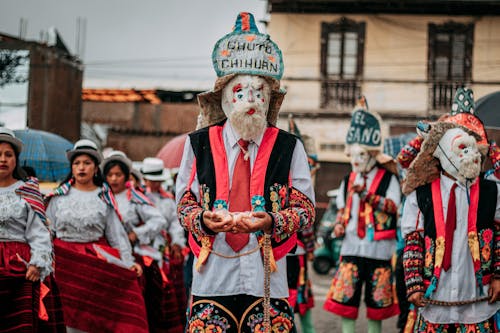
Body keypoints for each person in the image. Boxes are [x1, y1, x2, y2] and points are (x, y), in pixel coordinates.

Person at [176, 12, 315, 332]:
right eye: (240, 92)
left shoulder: (289, 146)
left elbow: (305, 207)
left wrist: (273, 220)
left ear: (269, 99)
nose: (249, 100)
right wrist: (201, 219)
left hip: (268, 275)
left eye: (258, 93)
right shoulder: (197, 144)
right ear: (224, 98)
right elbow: (183, 199)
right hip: (212, 274)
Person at [401, 88, 500, 332]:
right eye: (462, 147)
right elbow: (413, 240)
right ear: (443, 153)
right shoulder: (421, 193)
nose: (471, 154)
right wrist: (413, 284)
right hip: (434, 300)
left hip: (479, 301)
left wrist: (498, 276)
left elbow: (499, 235)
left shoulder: (492, 191)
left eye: (474, 148)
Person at [45, 139, 148, 333]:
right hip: (63, 264)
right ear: (72, 167)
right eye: (77, 163)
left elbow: (117, 235)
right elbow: (46, 232)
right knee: (62, 318)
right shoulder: (58, 196)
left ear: (95, 168)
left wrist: (128, 263)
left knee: (91, 319)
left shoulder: (104, 197)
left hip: (93, 265)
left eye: (87, 163)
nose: (81, 168)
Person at [324, 97, 401, 333]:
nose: (356, 162)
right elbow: (341, 210)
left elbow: (393, 206)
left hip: (379, 248)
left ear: (371, 153)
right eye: (353, 157)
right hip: (351, 246)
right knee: (346, 300)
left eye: (361, 156)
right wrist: (338, 226)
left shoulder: (388, 178)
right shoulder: (348, 179)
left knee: (376, 302)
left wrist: (367, 196)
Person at [102, 150, 184, 333]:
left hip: (147, 251)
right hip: (110, 254)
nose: (114, 179)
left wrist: (137, 235)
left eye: (118, 175)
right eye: (110, 175)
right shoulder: (105, 197)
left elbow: (172, 223)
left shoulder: (148, 199)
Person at [0, 127, 65, 333]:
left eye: (8, 155)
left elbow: (39, 233)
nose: (2, 159)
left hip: (19, 265)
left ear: (16, 160)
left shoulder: (27, 191)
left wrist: (37, 264)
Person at [141, 157, 187, 325]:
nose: (154, 184)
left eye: (157, 181)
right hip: (141, 249)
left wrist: (177, 242)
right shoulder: (137, 197)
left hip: (162, 251)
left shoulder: (168, 200)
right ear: (145, 179)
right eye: (151, 181)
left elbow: (175, 223)